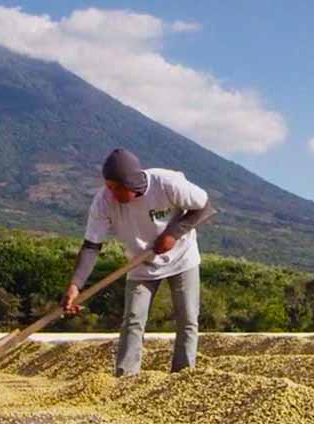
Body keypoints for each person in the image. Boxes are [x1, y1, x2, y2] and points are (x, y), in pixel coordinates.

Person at [61, 148, 215, 376]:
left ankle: (183, 376)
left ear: (131, 183)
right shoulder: (103, 202)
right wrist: (75, 285)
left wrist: (173, 233)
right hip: (140, 263)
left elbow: (204, 207)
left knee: (187, 318)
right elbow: (92, 245)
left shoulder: (167, 183)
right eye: (109, 187)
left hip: (182, 258)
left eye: (117, 188)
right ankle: (126, 377)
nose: (111, 194)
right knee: (133, 319)